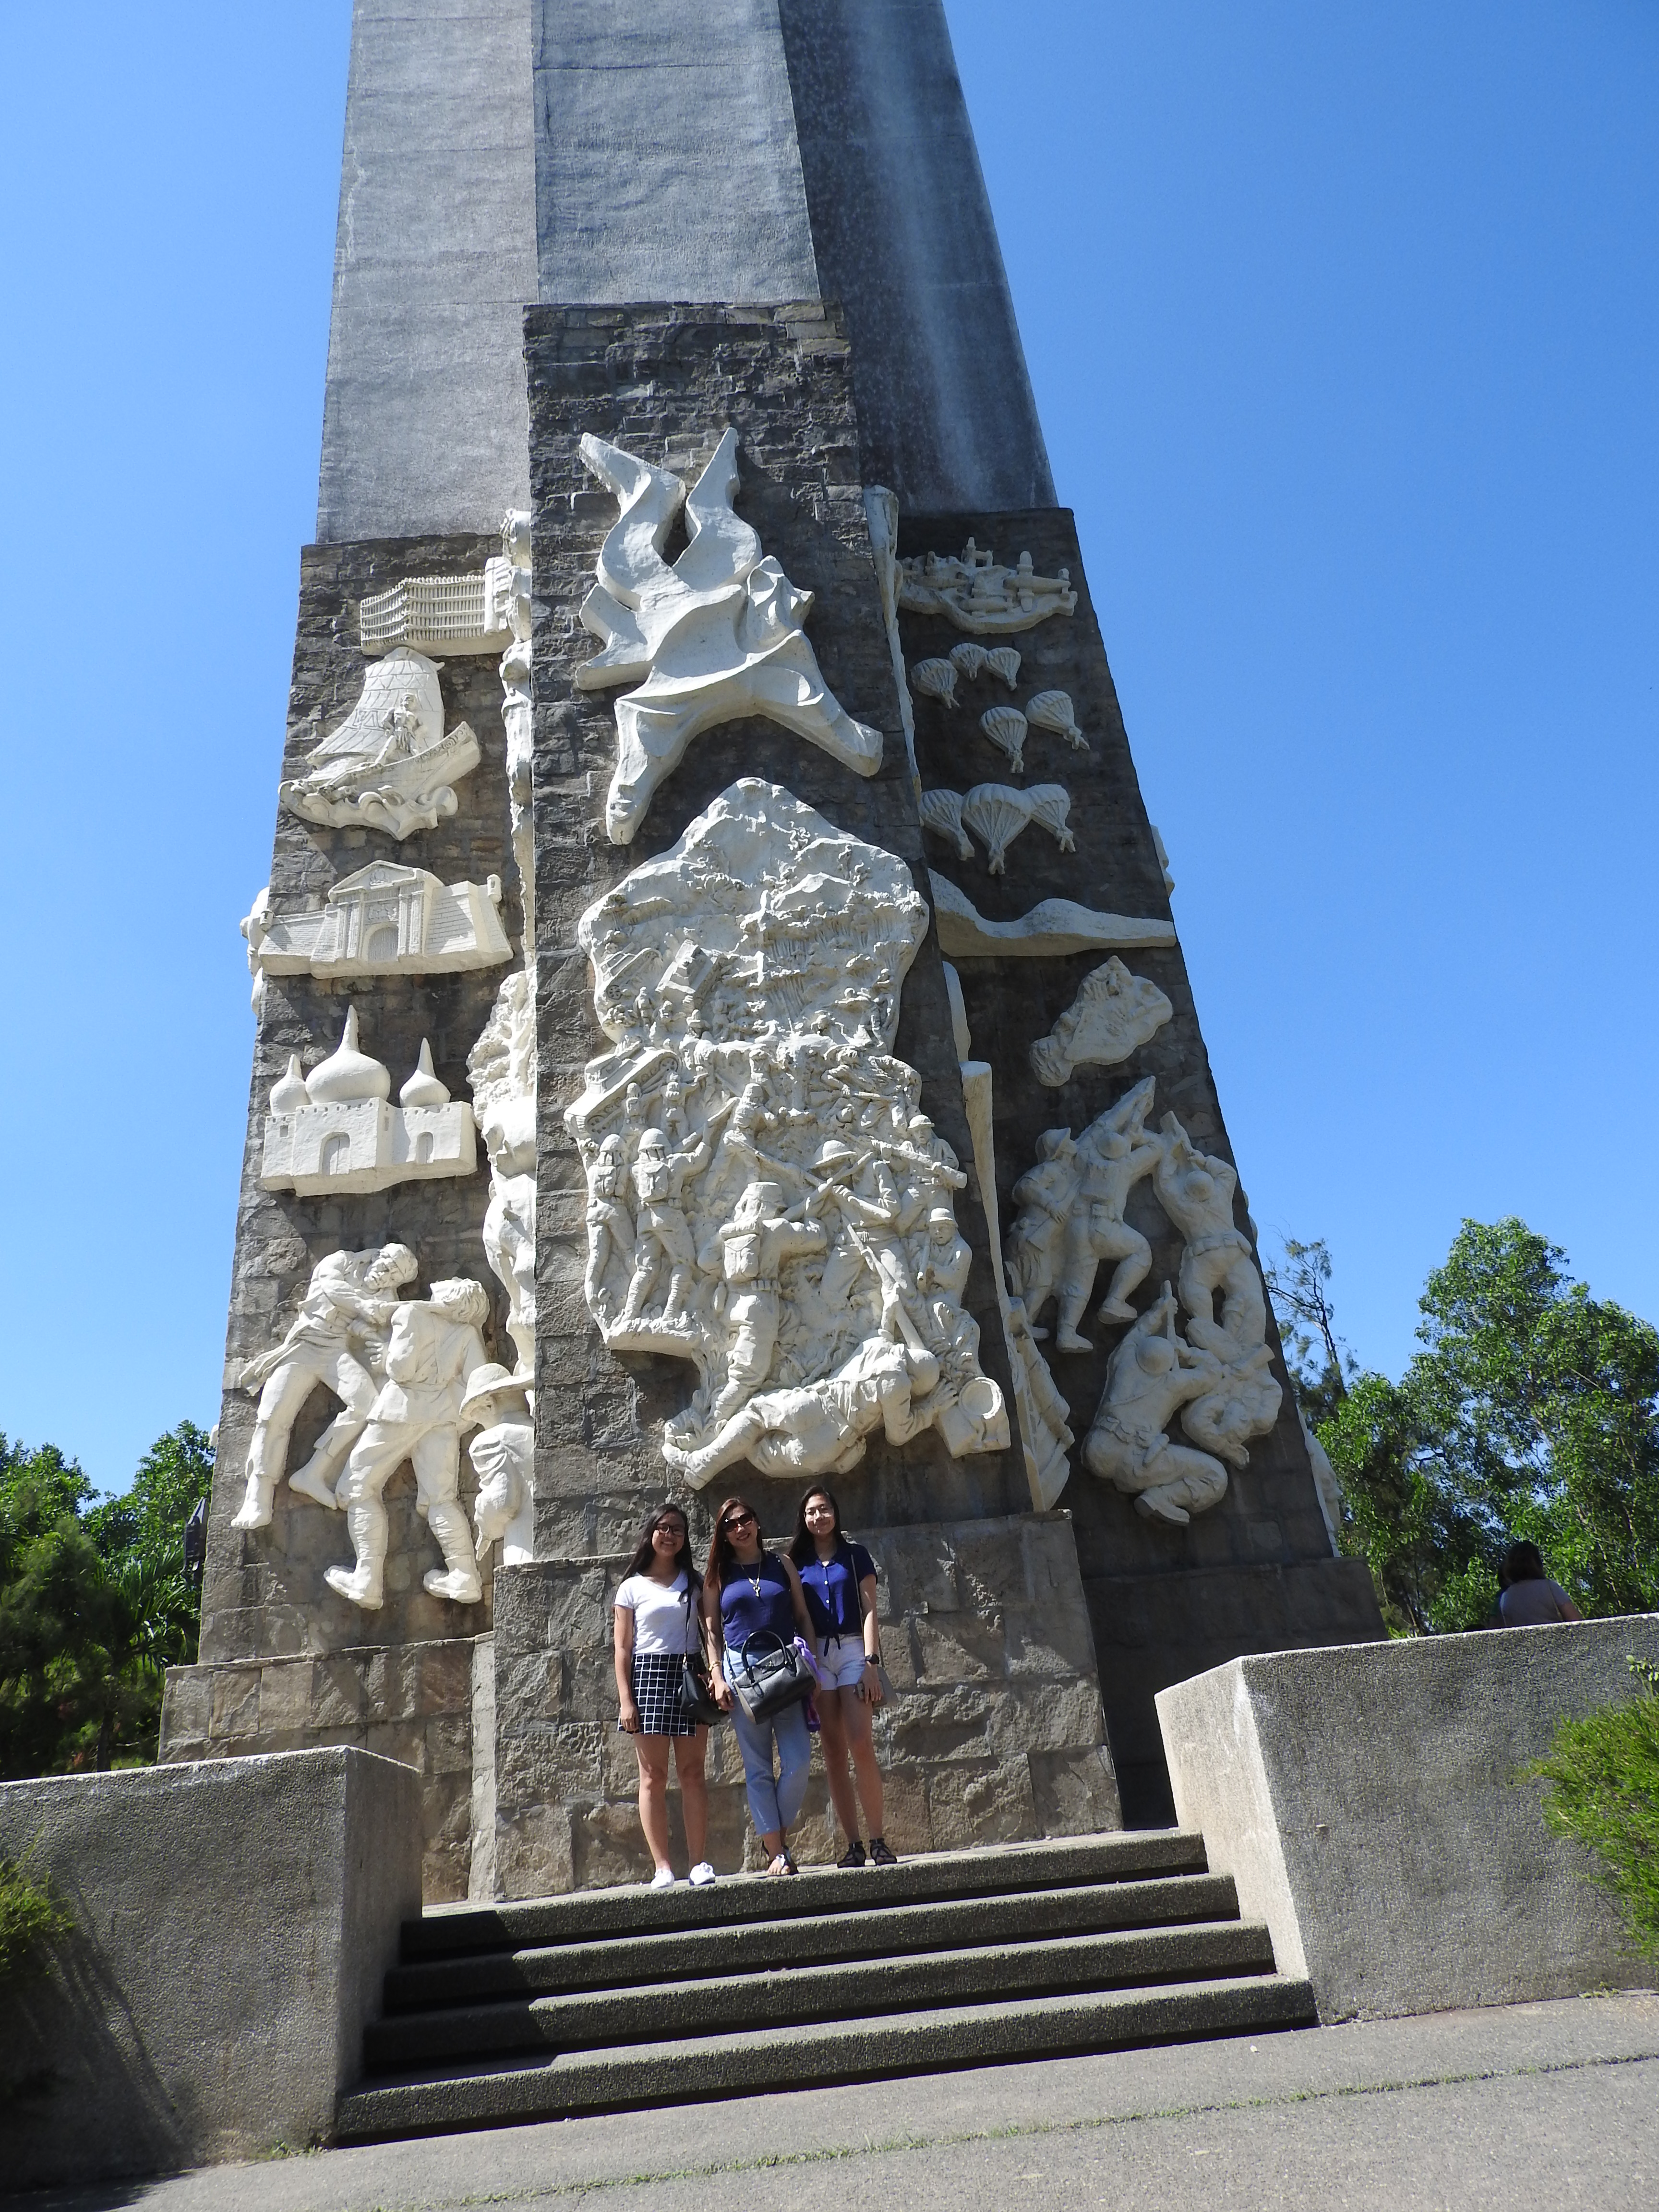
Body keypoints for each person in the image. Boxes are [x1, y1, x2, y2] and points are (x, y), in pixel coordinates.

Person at [706, 1497, 817, 1875]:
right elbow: (712, 1631)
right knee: (758, 1768)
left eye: (745, 1519)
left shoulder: (781, 1564)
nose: (740, 1528)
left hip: (786, 1669)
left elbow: (802, 1616)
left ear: (756, 1522)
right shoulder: (718, 1575)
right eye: (730, 1524)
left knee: (798, 1761)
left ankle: (774, 1840)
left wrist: (814, 1668)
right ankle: (777, 1854)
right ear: (723, 1534)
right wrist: (717, 1675)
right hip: (742, 1672)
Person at [789, 1487, 896, 1867]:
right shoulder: (796, 1563)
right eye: (811, 1512)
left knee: (861, 1742)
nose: (819, 1517)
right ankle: (853, 1845)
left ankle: (878, 1839)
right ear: (803, 1518)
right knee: (833, 1752)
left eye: (824, 1509)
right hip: (817, 1655)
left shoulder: (855, 1555)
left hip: (853, 1650)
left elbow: (870, 1611)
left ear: (835, 1513)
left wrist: (871, 1663)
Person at [613, 1506, 714, 1889]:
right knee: (653, 1776)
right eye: (663, 1528)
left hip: (689, 1674)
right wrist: (626, 1700)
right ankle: (662, 1867)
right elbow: (622, 1648)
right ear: (651, 1533)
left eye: (678, 1530)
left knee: (693, 1773)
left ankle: (698, 1863)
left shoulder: (694, 1582)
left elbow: (711, 1633)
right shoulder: (631, 1587)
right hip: (648, 1676)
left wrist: (716, 1673)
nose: (670, 1535)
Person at [1495, 1541, 1584, 1627]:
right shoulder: (1550, 1587)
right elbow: (1576, 1622)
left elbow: (1511, 1631)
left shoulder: (1506, 1598)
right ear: (1537, 1563)